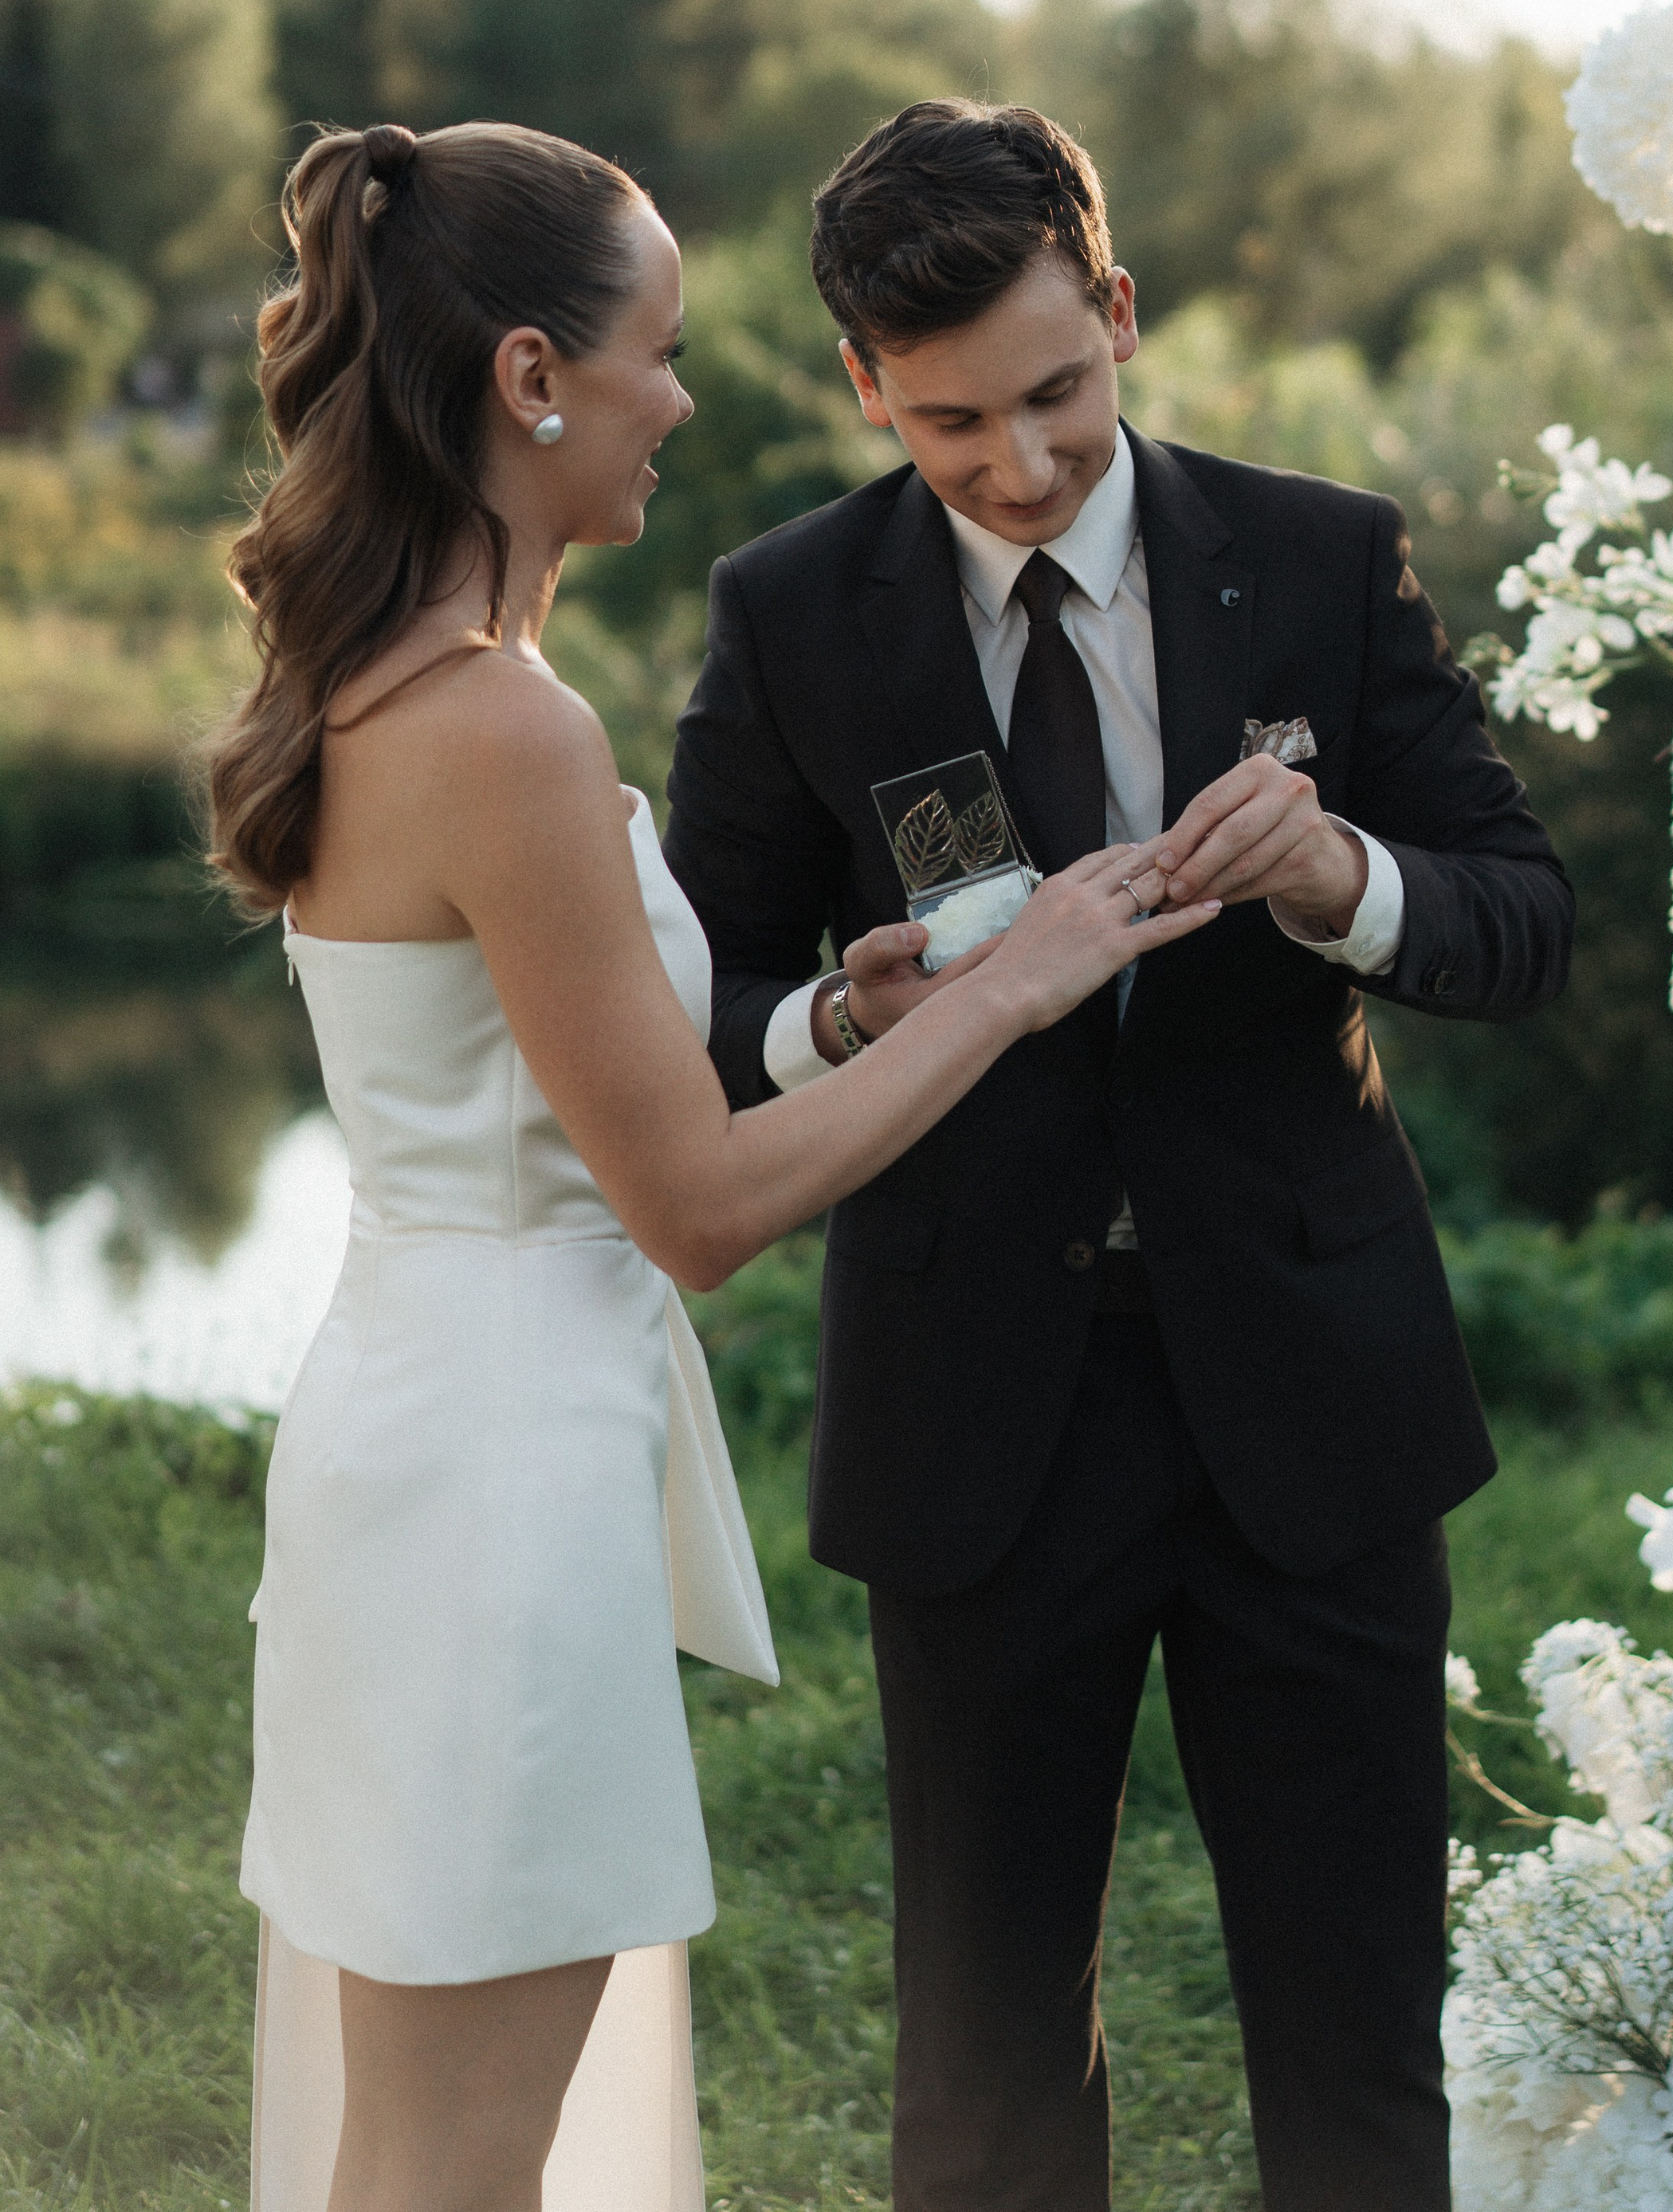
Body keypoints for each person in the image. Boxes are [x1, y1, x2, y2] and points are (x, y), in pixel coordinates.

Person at [206, 118, 1214, 2212]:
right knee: (457, 2167)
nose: (683, 395)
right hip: (494, 1494)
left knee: (418, 2149)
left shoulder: (423, 688)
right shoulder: (504, 730)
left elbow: (580, 1099)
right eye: (656, 350)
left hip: (434, 1434)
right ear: (528, 377)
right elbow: (703, 1208)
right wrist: (1006, 992)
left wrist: (851, 1013)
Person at [663, 98, 1575, 2212]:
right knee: (983, 2085)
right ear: (863, 384)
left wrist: (1346, 871)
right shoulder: (792, 612)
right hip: (977, 1411)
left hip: (1313, 1398)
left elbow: (1521, 919)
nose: (1020, 464)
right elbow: (694, 1032)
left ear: (1126, 317)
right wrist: (838, 1019)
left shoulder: (1326, 555)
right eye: (953, 420)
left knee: (1360, 2056)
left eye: (1058, 393)